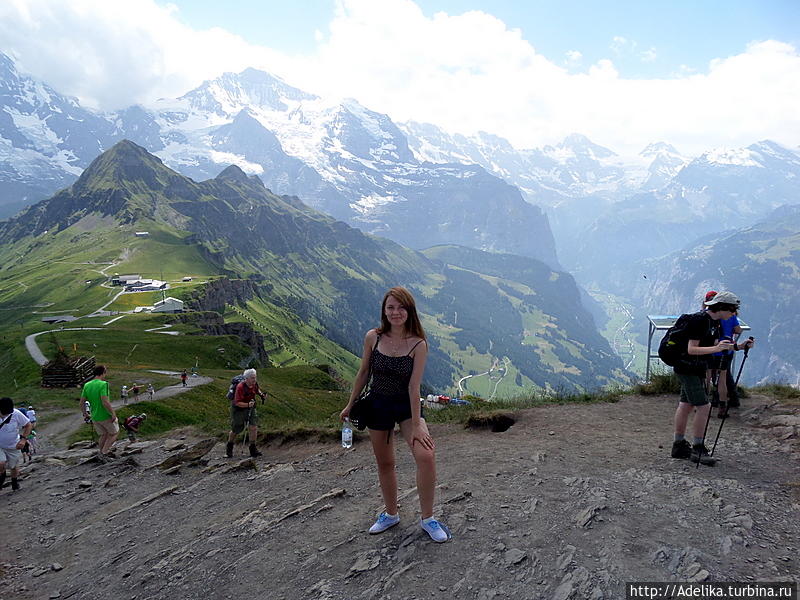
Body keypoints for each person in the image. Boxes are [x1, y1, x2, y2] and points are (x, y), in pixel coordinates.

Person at [340, 287, 450, 543]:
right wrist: (350, 404)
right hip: (377, 404)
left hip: (405, 407)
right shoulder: (373, 337)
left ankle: (428, 518)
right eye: (391, 307)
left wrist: (419, 423)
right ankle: (391, 514)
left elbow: (414, 387)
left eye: (401, 307)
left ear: (409, 311)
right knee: (385, 463)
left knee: (426, 455)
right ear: (384, 311)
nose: (396, 312)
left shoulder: (418, 343)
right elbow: (363, 373)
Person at [671, 291, 755, 466]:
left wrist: (739, 346)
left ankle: (678, 445)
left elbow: (715, 346)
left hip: (692, 367)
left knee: (686, 404)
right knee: (704, 406)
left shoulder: (714, 322)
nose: (734, 313)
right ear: (722, 307)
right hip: (688, 367)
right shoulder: (701, 321)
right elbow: (692, 349)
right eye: (732, 310)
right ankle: (698, 448)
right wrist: (716, 349)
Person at [704, 291, 744, 418]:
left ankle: (704, 404)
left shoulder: (712, 317)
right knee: (722, 380)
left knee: (707, 377)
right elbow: (738, 330)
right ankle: (722, 407)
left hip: (711, 350)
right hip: (727, 350)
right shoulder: (732, 317)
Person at [80, 365, 119, 459]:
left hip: (94, 415)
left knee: (103, 434)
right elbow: (105, 401)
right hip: (104, 414)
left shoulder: (87, 385)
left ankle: (101, 452)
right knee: (114, 433)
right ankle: (105, 452)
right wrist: (113, 413)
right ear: (103, 373)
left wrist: (85, 414)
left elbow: (82, 402)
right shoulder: (103, 384)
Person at [226, 368, 265, 458]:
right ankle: (229, 446)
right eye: (252, 378)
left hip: (250, 407)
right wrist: (248, 405)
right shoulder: (240, 387)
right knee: (236, 429)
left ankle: (253, 449)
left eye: (255, 377)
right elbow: (237, 402)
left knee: (253, 427)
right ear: (246, 378)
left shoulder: (254, 384)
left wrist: (262, 395)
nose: (254, 380)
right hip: (238, 409)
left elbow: (257, 390)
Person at [0, 397, 33, 491]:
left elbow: (28, 425)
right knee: (1, 463)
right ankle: (1, 479)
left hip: (13, 445)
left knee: (13, 466)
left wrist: (23, 440)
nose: (7, 413)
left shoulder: (15, 413)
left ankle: (14, 482)